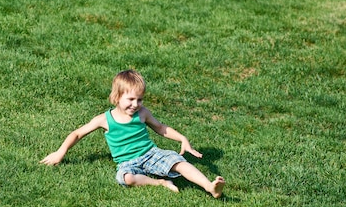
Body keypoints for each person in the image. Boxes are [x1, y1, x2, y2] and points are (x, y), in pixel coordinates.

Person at [40, 69, 225, 198]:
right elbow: (77, 134)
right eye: (131, 99)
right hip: (127, 162)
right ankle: (160, 183)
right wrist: (60, 152)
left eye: (140, 99)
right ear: (116, 97)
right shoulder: (104, 119)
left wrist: (182, 139)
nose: (135, 104)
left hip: (151, 154)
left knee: (179, 163)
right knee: (126, 178)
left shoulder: (142, 114)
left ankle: (210, 187)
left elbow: (161, 128)